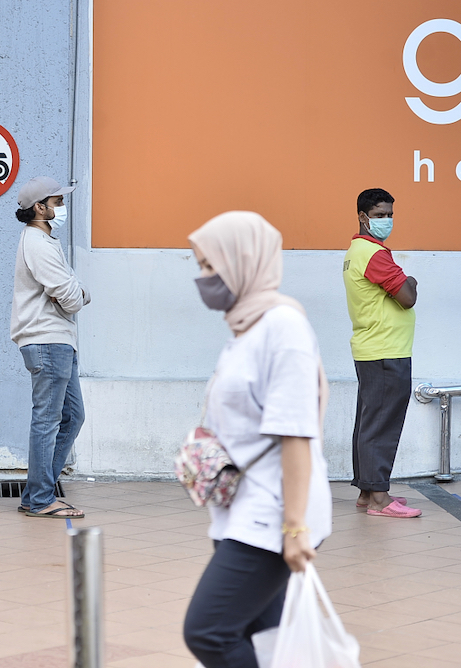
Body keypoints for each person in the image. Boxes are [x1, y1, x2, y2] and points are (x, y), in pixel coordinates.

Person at [182, 211, 333, 667]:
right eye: (201, 266)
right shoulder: (244, 328)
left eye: (211, 265)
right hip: (240, 507)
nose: (204, 278)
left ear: (243, 261)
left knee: (208, 632)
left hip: (272, 513)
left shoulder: (282, 327)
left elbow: (296, 433)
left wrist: (294, 526)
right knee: (262, 636)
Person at [10, 176, 89, 519]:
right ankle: (41, 499)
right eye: (57, 202)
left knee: (72, 417)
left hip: (57, 340)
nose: (61, 208)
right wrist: (81, 293)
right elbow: (70, 297)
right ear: (39, 208)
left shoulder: (44, 241)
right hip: (47, 340)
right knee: (47, 420)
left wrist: (75, 291)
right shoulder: (38, 244)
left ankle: (35, 494)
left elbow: (67, 291)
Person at [342, 188, 421, 518]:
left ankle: (367, 492)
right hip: (385, 350)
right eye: (379, 215)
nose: (386, 220)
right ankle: (378, 498)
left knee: (370, 421)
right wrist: (412, 280)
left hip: (374, 349)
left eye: (390, 214)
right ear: (363, 217)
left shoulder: (355, 251)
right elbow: (407, 296)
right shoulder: (374, 254)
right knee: (381, 424)